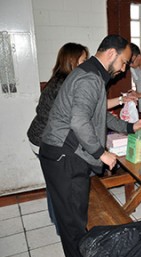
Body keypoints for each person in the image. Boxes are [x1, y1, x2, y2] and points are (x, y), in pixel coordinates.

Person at [39, 35, 141, 257]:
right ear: (111, 53)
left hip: (64, 153)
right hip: (64, 155)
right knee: (72, 222)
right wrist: (101, 153)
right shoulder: (90, 77)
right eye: (123, 62)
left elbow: (99, 116)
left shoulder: (93, 74)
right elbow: (80, 122)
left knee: (75, 217)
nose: (123, 70)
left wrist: (131, 126)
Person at [27, 42, 89, 233]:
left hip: (37, 137)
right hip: (45, 141)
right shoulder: (67, 84)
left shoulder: (60, 79)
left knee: (55, 184)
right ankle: (63, 226)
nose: (86, 64)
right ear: (72, 60)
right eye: (83, 59)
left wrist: (120, 101)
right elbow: (77, 117)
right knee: (60, 187)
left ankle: (58, 221)